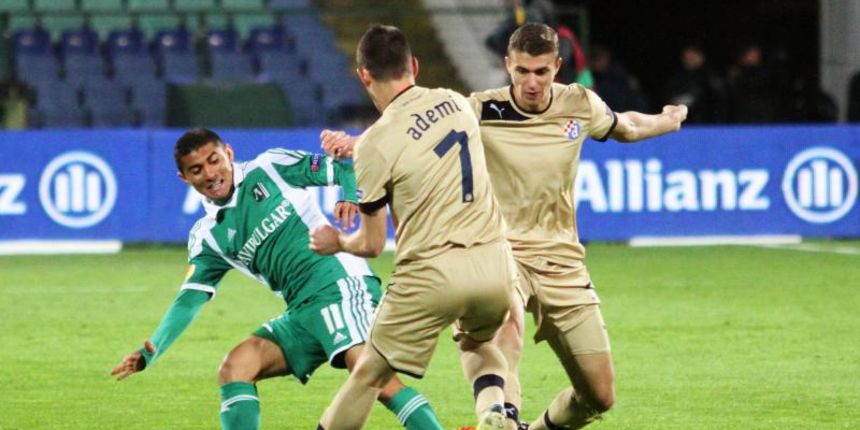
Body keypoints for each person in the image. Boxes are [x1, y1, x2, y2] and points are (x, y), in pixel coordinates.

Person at [321, 22, 687, 430]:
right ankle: (501, 417)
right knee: (504, 336)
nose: (532, 82)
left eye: (542, 72)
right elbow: (414, 127)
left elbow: (628, 126)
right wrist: (359, 142)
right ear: (508, 65)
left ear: (557, 67)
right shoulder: (479, 108)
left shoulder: (579, 104)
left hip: (563, 260)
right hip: (499, 251)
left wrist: (667, 121)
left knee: (598, 396)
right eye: (523, 71)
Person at [110, 128, 444, 430]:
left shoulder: (269, 167)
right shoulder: (208, 236)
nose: (210, 174)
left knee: (375, 379)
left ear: (228, 152)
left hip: (340, 283)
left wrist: (347, 195)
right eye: (196, 170)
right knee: (236, 366)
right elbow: (189, 300)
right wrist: (151, 350)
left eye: (214, 160)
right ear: (184, 178)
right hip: (301, 309)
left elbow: (342, 166)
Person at [309, 24, 517, 430]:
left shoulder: (375, 145)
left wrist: (337, 241)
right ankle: (495, 411)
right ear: (415, 66)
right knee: (480, 343)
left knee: (369, 373)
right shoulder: (455, 103)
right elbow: (422, 135)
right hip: (494, 267)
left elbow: (370, 244)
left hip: (431, 273)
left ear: (363, 75)